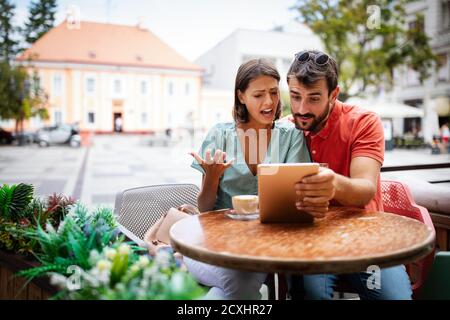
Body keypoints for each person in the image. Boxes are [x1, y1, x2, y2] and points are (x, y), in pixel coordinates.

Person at [286, 50, 412, 300]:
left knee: (394, 298)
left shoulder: (364, 122)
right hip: (312, 238)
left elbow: (365, 189)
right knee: (310, 292)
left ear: (334, 94)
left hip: (366, 235)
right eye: (295, 96)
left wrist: (333, 183)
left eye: (313, 98)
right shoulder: (287, 128)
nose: (301, 109)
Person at [187, 58, 316, 299]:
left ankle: (182, 265)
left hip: (265, 246)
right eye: (258, 95)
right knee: (238, 282)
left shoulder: (291, 137)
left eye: (274, 93)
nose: (269, 102)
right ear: (241, 97)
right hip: (217, 243)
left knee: (230, 287)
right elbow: (204, 208)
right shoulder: (220, 134)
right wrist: (212, 178)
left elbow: (297, 203)